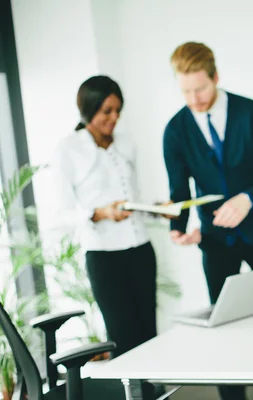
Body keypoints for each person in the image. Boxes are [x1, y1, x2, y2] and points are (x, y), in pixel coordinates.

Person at [163, 42, 253, 400]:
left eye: (200, 88)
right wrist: (177, 230)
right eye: (185, 91)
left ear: (216, 77)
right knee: (223, 333)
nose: (195, 98)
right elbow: (179, 192)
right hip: (216, 243)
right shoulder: (175, 131)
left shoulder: (250, 113)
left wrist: (247, 200)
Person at [51, 76, 158, 359]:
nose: (114, 118)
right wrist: (100, 213)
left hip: (141, 250)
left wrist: (158, 208)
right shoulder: (68, 149)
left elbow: (135, 197)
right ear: (88, 110)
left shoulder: (126, 143)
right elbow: (61, 214)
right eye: (106, 111)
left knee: (149, 334)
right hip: (105, 257)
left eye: (118, 110)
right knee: (122, 336)